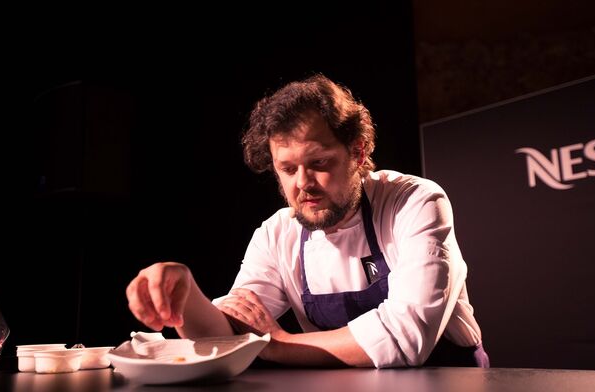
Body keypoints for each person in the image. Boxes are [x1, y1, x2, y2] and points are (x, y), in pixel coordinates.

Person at [126, 74, 489, 368]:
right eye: (287, 169)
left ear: (358, 152)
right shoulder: (277, 234)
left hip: (446, 378)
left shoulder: (414, 201)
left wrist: (279, 345)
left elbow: (408, 334)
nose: (303, 183)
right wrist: (186, 294)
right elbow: (228, 336)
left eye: (319, 163)